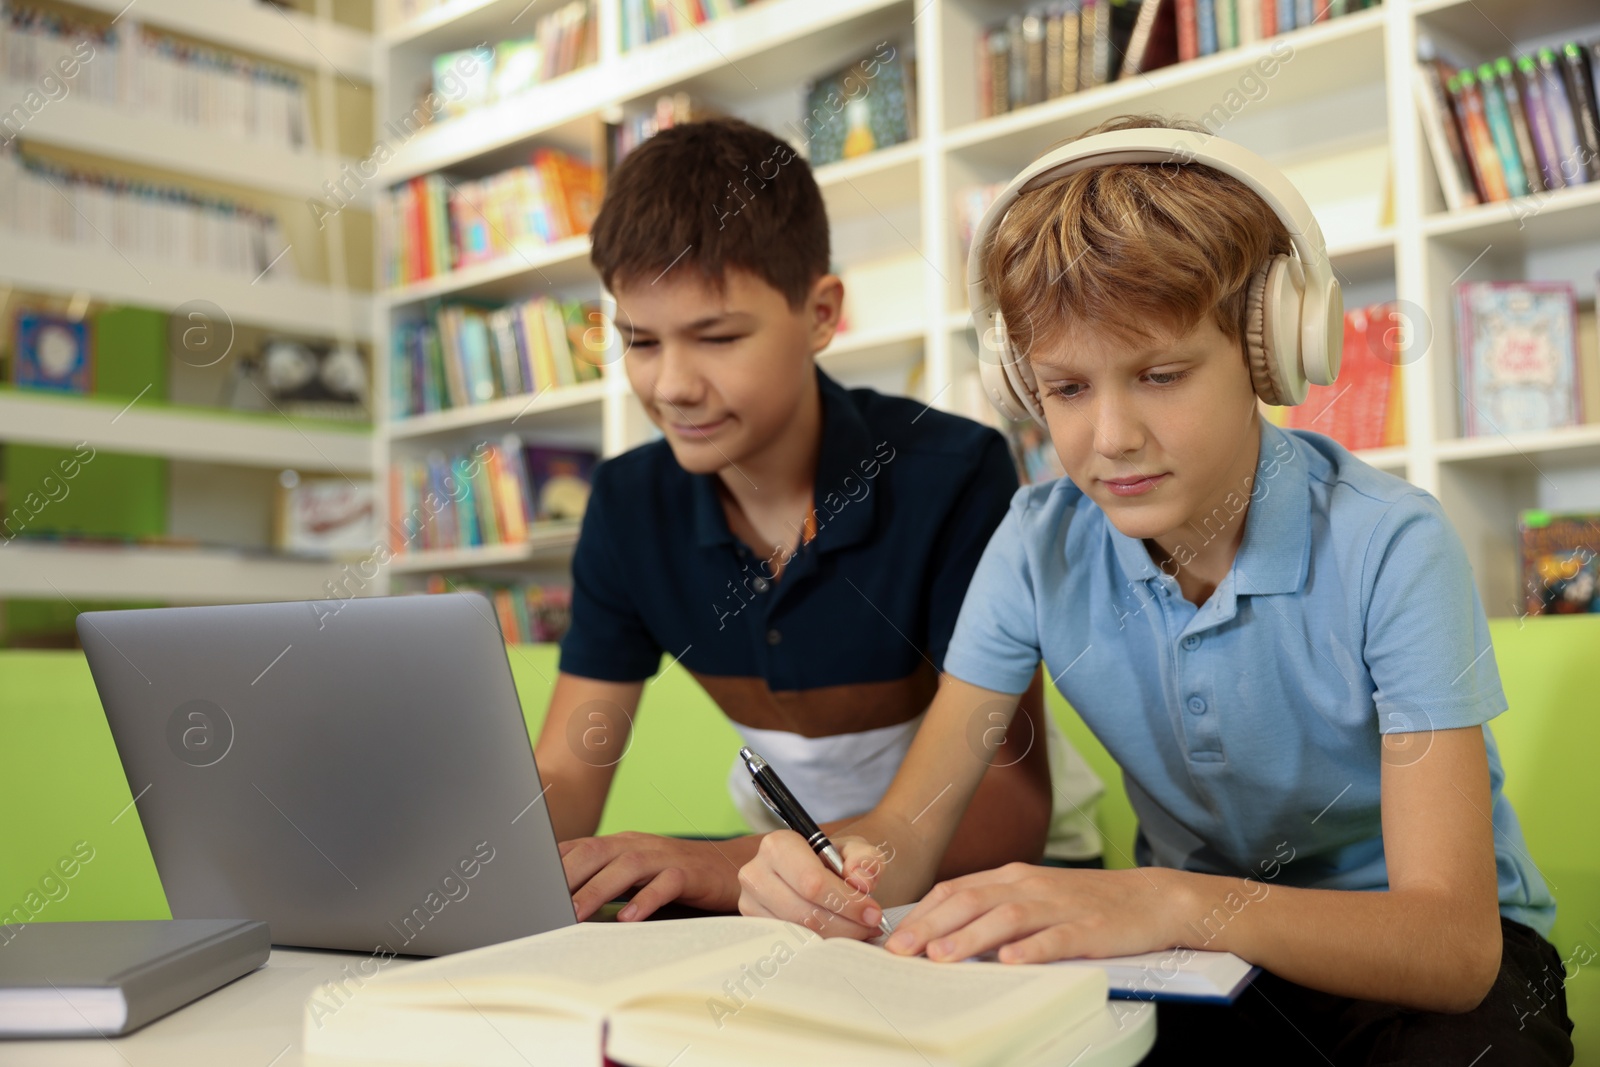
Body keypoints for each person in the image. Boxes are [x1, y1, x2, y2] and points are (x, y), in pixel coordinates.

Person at [735, 114, 1573, 1065]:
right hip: (1191, 960)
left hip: (1408, 966)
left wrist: (1171, 899)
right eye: (1066, 389)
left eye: (1162, 373)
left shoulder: (1393, 544)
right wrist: (828, 874)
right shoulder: (1033, 545)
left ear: (1270, 350)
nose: (1111, 438)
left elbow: (1453, 947)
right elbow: (906, 833)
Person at [533, 115, 1105, 925]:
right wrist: (467, 866)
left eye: (717, 336)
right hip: (791, 879)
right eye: (640, 342)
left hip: (996, 878)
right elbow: (568, 767)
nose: (672, 386)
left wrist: (720, 864)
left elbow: (1008, 810)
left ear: (821, 313)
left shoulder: (950, 475)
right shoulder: (629, 504)